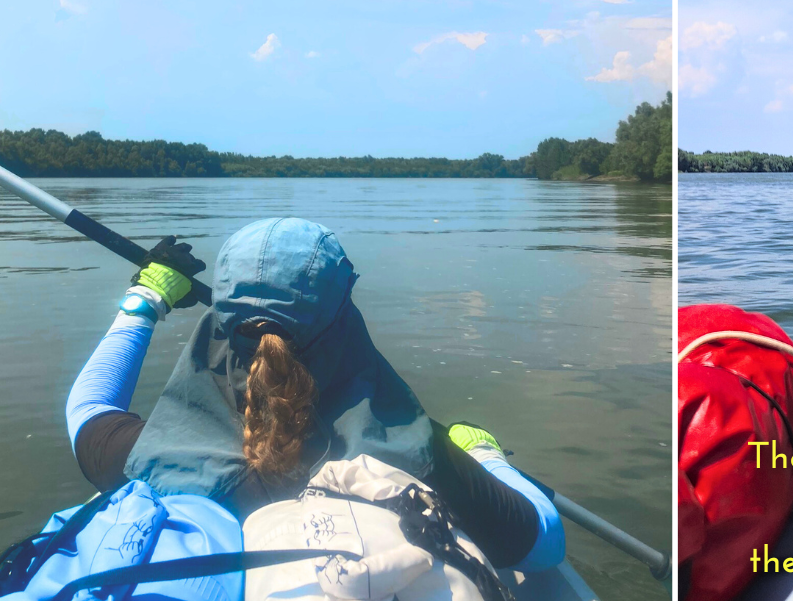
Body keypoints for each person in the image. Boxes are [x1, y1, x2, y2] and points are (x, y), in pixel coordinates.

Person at [65, 216, 563, 572]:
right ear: (347, 322)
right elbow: (543, 543)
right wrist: (483, 452)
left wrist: (145, 300)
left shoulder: (152, 460)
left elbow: (88, 410)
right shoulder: (420, 463)